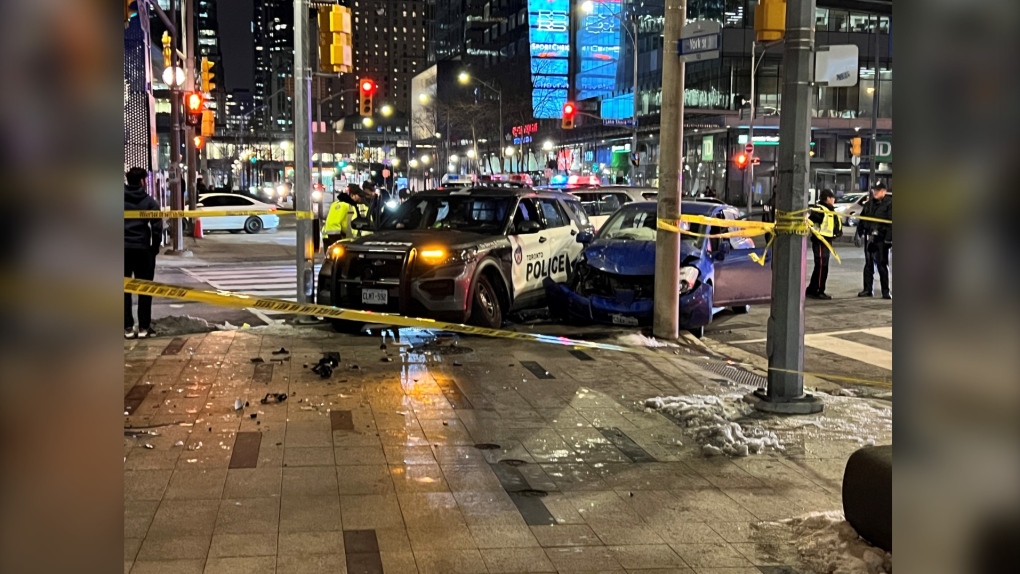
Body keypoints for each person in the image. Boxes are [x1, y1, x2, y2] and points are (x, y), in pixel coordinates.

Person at [124, 167, 163, 339]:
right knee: (145, 289)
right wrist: (154, 248)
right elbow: (157, 227)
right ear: (142, 181)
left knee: (123, 291)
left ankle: (127, 327)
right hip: (142, 250)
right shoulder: (149, 202)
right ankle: (143, 328)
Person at [805, 188, 842, 299]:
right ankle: (819, 290)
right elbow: (812, 222)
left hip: (826, 241)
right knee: (822, 266)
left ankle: (812, 288)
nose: (834, 199)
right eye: (832, 197)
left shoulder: (829, 209)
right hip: (820, 241)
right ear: (827, 199)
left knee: (820, 266)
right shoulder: (820, 210)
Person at [857, 183, 892, 299]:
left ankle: (885, 291)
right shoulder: (868, 205)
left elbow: (891, 223)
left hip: (881, 239)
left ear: (884, 191)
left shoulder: (890, 204)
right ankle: (867, 289)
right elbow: (862, 220)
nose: (875, 192)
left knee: (882, 265)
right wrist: (858, 233)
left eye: (878, 190)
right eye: (874, 190)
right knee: (868, 265)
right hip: (869, 237)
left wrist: (888, 239)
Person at [321, 183, 374, 250]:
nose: (361, 198)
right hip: (331, 240)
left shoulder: (354, 206)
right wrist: (337, 243)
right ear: (352, 195)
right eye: (359, 196)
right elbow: (332, 226)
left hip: (346, 242)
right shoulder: (341, 205)